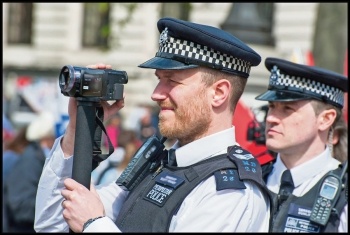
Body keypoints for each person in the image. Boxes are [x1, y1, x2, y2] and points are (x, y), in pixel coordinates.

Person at [34, 17, 272, 232]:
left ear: (219, 93)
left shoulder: (230, 192)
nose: (156, 94)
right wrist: (78, 129)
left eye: (172, 81)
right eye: (159, 80)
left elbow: (88, 219)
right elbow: (53, 223)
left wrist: (94, 224)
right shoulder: (158, 164)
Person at [255, 57, 348, 232]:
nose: (271, 118)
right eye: (272, 106)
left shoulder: (344, 195)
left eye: (287, 109)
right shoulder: (251, 180)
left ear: (325, 119)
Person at [4, 111, 56, 232]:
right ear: (47, 138)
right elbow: (21, 205)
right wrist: (54, 208)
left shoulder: (34, 157)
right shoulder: (31, 159)